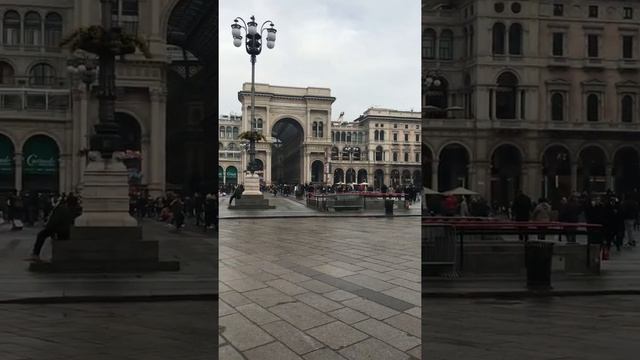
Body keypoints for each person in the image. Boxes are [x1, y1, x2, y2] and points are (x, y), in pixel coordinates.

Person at [26, 196, 76, 262]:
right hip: (63, 229)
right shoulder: (71, 209)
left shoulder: (61, 208)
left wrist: (48, 226)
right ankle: (35, 254)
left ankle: (35, 254)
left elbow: (54, 221)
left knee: (41, 235)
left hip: (58, 230)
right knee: (44, 234)